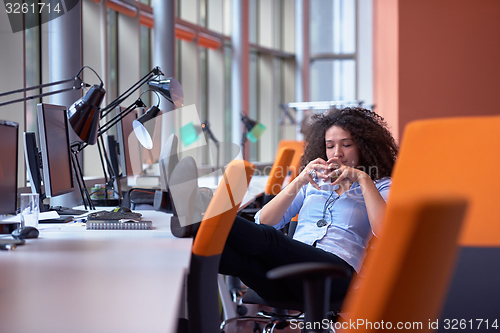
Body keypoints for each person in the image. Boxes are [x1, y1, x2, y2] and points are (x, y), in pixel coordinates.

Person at [219, 107, 398, 304]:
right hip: (291, 276)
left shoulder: (379, 185)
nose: (337, 153)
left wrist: (363, 179)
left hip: (337, 274)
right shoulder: (313, 183)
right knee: (236, 260)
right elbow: (264, 221)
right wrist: (299, 180)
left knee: (271, 240)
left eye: (346, 145)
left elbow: (386, 232)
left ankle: (202, 222)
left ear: (364, 146)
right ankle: (198, 231)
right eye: (330, 146)